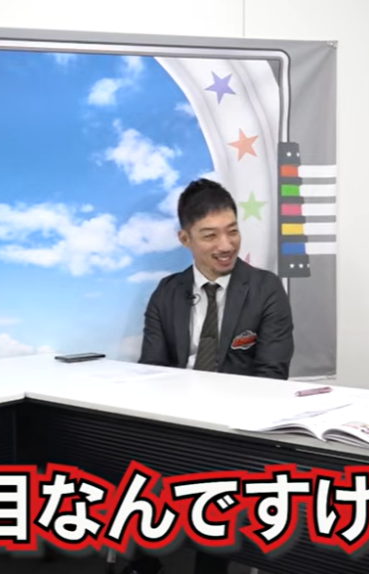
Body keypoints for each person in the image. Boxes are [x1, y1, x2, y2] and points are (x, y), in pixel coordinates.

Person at [125, 179, 294, 574]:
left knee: (220, 478)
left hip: (235, 429)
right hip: (176, 422)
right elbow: (152, 370)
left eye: (232, 231)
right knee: (126, 458)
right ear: (185, 238)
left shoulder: (265, 289)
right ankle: (144, 562)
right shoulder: (167, 292)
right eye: (210, 235)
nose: (226, 245)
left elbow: (271, 376)